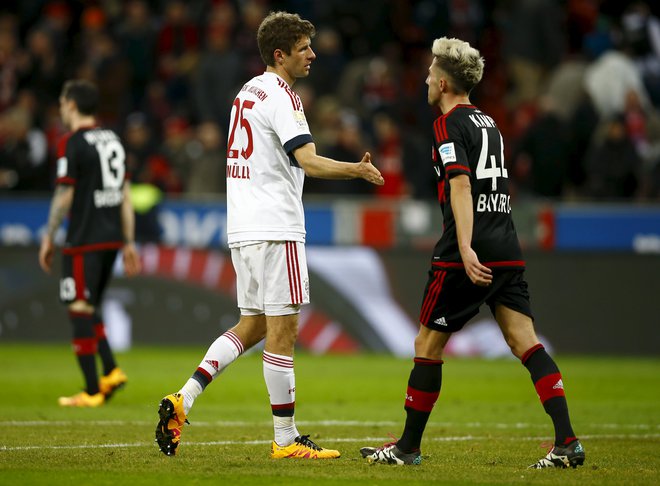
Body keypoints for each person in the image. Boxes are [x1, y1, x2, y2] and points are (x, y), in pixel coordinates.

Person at [155, 11, 383, 459]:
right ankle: (286, 439)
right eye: (304, 49)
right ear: (280, 55)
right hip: (277, 227)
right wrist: (356, 169)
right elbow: (310, 161)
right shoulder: (284, 97)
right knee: (284, 331)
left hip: (243, 227)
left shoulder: (247, 92)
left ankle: (185, 398)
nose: (313, 55)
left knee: (254, 324)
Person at [359, 38, 585, 469]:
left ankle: (407, 448)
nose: (425, 78)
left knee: (426, 345)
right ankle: (567, 442)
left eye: (430, 73)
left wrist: (464, 246)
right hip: (506, 243)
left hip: (469, 248)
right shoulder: (489, 122)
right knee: (525, 342)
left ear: (443, 83)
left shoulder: (447, 125)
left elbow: (461, 184)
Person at [38, 80, 141, 407]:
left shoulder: (71, 142)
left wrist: (48, 235)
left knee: (79, 308)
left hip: (85, 238)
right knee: (90, 305)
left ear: (70, 104)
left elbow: (65, 193)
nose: (60, 108)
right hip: (111, 238)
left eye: (61, 102)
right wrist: (128, 241)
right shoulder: (113, 139)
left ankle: (92, 390)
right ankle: (110, 370)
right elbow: (125, 196)